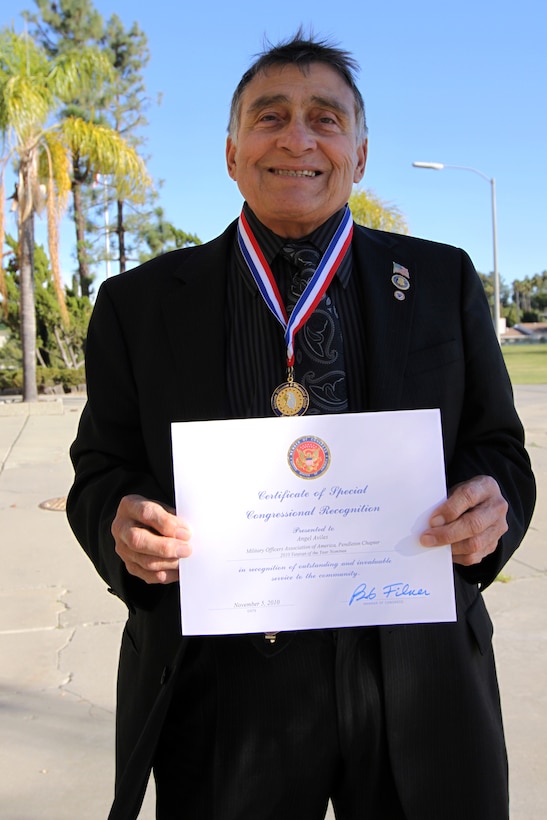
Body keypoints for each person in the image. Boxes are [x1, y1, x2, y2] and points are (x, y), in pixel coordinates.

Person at [67, 31, 535, 820]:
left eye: (324, 118)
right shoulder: (138, 304)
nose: (297, 137)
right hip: (222, 689)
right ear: (230, 152)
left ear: (357, 154)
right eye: (269, 116)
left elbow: (500, 452)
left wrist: (493, 503)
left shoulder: (438, 280)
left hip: (412, 677)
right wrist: (119, 520)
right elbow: (100, 466)